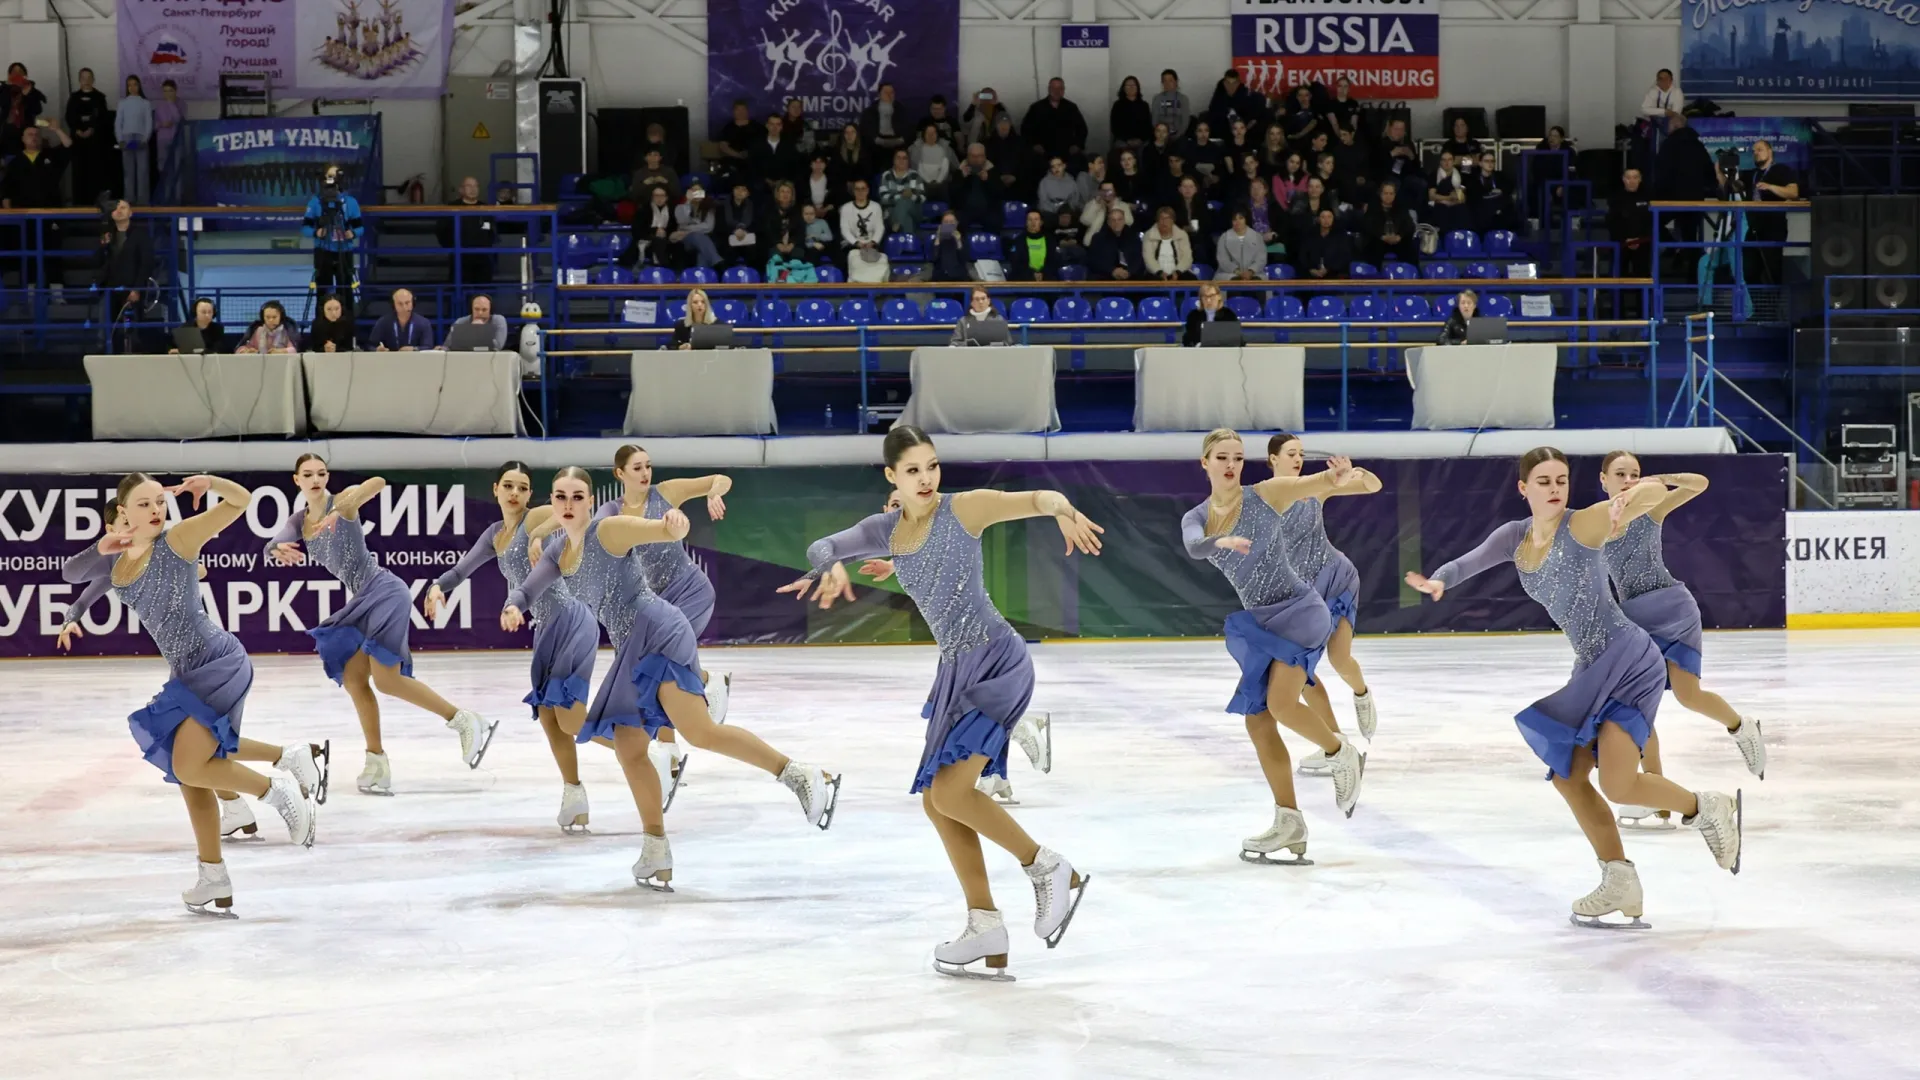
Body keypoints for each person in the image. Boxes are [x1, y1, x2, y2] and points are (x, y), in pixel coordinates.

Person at [783, 425, 1096, 978]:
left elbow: (1029, 499)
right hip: (955, 668)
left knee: (951, 792)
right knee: (937, 799)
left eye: (931, 466)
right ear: (891, 478)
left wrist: (1060, 507)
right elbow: (824, 545)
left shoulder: (964, 509)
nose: (926, 478)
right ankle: (985, 924)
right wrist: (827, 562)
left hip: (996, 659)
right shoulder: (886, 530)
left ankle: (1046, 866)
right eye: (913, 471)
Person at [1406, 447, 1744, 926]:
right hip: (1591, 664)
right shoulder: (1515, 536)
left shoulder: (1583, 524)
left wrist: (1630, 498)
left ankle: (1704, 808)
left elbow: (1652, 492)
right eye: (1543, 481)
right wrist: (1439, 582)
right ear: (1523, 489)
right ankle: (1618, 877)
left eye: (1561, 480)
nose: (1554, 489)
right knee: (1568, 775)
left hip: (1628, 659)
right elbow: (1468, 563)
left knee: (1617, 782)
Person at [523, 467, 840, 890]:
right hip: (631, 644)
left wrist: (673, 524)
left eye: (577, 496)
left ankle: (801, 775)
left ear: (591, 500)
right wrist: (513, 604)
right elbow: (528, 588)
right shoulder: (557, 550)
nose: (567, 504)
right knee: (632, 747)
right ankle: (656, 849)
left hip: (658, 630)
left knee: (699, 732)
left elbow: (657, 528)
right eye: (560, 496)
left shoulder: (608, 529)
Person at [56, 473, 323, 913]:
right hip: (185, 673)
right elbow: (70, 574)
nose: (156, 510)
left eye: (159, 502)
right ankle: (213, 877)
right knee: (190, 776)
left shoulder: (178, 539)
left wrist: (211, 481)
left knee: (189, 763)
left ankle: (276, 791)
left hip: (219, 662)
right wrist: (100, 549)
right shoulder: (117, 559)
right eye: (144, 504)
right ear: (122, 512)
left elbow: (240, 501)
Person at [1182, 431, 1369, 863]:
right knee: (1259, 722)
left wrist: (1335, 477)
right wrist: (1219, 542)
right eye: (1222, 457)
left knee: (1282, 706)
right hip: (1264, 621)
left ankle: (1341, 753)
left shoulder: (1266, 493)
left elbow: (1312, 485)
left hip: (1301, 611)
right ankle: (1290, 820)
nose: (1231, 464)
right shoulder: (1197, 515)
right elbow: (1194, 546)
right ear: (1205, 463)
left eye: (1238, 457)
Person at [265, 455, 496, 794]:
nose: (316, 479)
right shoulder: (299, 521)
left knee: (387, 680)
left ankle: (465, 721)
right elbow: (278, 539)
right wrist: (276, 548)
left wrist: (340, 506)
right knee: (354, 677)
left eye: (321, 473)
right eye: (308, 475)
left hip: (385, 591)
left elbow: (377, 483)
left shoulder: (342, 504)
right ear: (296, 480)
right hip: (363, 598)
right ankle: (376, 761)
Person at [1596, 453, 1768, 829]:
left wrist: (1653, 481)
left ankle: (1742, 726)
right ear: (1602, 479)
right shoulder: (1594, 520)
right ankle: (1652, 792)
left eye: (1634, 473)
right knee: (1637, 707)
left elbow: (1699, 483)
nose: (1627, 479)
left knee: (1689, 695)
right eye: (1620, 474)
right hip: (1635, 618)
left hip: (1672, 609)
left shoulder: (1651, 510)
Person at [426, 463, 600, 831]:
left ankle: (642, 749)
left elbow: (567, 515)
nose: (515, 493)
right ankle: (574, 794)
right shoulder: (495, 534)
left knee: (566, 716)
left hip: (571, 619)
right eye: (508, 486)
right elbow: (461, 570)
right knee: (551, 717)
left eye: (522, 487)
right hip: (546, 628)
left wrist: (537, 535)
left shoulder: (535, 515)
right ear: (496, 489)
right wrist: (438, 586)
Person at [590, 445, 737, 797]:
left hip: (690, 593)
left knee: (660, 667)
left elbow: (721, 478)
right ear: (619, 474)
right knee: (655, 674)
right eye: (637, 467)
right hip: (652, 605)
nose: (645, 473)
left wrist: (714, 492)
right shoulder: (609, 513)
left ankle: (697, 689)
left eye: (648, 466)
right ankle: (670, 749)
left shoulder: (667, 492)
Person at [1269, 434, 1384, 779]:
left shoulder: (1315, 488)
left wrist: (1353, 471)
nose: (1298, 459)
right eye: (1291, 454)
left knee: (1339, 658)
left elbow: (1373, 486)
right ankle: (1334, 741)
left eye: (1301, 454)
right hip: (1302, 594)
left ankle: (1361, 695)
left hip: (1336, 577)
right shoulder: (1262, 497)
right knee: (1301, 673)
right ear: (1272, 459)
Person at [0, 120, 73, 286]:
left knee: (54, 252)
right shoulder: (15, 163)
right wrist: (11, 215)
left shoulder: (50, 157)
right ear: (23, 139)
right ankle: (31, 292)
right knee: (29, 253)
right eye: (30, 135)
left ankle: (57, 292)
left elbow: (68, 146)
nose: (33, 137)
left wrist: (57, 129)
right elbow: (6, 192)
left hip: (51, 214)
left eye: (36, 134)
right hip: (26, 217)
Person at [95, 199, 157, 342]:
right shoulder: (108, 235)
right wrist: (104, 246)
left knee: (134, 330)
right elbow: (98, 261)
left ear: (130, 213)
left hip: (132, 287)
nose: (119, 210)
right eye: (116, 208)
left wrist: (137, 288)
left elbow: (146, 263)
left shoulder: (140, 234)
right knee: (109, 328)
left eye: (123, 207)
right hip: (111, 288)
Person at [302, 164, 362, 310]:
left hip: (344, 251)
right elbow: (305, 228)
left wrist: (352, 233)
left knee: (345, 290)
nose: (332, 180)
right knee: (322, 291)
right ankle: (321, 324)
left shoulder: (351, 202)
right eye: (329, 176)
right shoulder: (315, 202)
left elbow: (360, 227)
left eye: (335, 176)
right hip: (323, 251)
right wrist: (316, 232)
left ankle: (347, 323)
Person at [1743, 139, 1799, 286]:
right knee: (1749, 271)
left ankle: (1773, 307)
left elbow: (1793, 192)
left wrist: (1770, 187)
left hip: (1773, 227)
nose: (1756, 153)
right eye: (1754, 151)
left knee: (1772, 269)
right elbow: (1730, 187)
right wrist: (1720, 170)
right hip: (1753, 228)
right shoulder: (1751, 174)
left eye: (1760, 149)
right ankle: (1757, 306)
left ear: (1770, 151)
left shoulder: (1782, 170)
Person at [65, 67, 113, 208]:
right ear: (79, 80)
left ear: (93, 79)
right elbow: (69, 116)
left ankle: (95, 204)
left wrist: (93, 128)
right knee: (79, 173)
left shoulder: (100, 97)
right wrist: (77, 130)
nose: (86, 81)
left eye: (89, 78)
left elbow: (104, 118)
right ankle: (79, 204)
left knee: (95, 172)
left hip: (95, 143)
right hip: (78, 143)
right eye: (83, 78)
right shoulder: (73, 98)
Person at [437, 176, 498, 285]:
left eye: (475, 186)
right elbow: (441, 230)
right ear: (461, 189)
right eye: (469, 186)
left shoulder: (485, 208)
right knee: (460, 289)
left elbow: (491, 231)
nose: (473, 189)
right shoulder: (451, 207)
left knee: (483, 289)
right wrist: (452, 247)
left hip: (482, 256)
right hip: (460, 256)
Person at [1608, 168, 1654, 315]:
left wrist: (1639, 239)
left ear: (1640, 179)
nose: (1632, 181)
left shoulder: (1648, 197)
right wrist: (1625, 239)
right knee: (1618, 279)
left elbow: (1652, 222)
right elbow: (1612, 221)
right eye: (1629, 177)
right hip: (1620, 244)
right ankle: (1618, 314)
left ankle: (1643, 314)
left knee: (1643, 279)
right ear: (1623, 179)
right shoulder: (1615, 198)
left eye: (1635, 177)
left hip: (1643, 244)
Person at [1022, 78, 1088, 164]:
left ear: (1063, 90)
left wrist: (1077, 145)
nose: (1057, 91)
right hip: (1043, 153)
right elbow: (1025, 129)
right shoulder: (1036, 108)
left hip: (1067, 153)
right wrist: (1034, 145)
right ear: (1049, 89)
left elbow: (1082, 129)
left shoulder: (1071, 107)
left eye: (1060, 88)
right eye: (1054, 88)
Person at [115, 75, 155, 205]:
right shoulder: (123, 103)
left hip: (140, 138)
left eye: (135, 84)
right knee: (128, 171)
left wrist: (145, 139)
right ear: (127, 87)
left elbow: (149, 122)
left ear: (139, 86)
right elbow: (118, 123)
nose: (132, 87)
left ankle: (143, 200)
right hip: (126, 139)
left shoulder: (145, 103)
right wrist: (120, 139)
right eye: (129, 85)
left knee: (142, 171)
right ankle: (129, 199)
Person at [1360, 181, 1415, 264]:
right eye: (1385, 193)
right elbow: (1368, 225)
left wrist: (1399, 236)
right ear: (1380, 194)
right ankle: (1374, 274)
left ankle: (1407, 273)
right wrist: (1382, 236)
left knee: (1410, 249)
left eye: (1391, 193)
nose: (1388, 196)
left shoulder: (1401, 206)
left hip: (1397, 240)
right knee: (1373, 247)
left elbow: (1409, 225)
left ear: (1395, 195)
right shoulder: (1373, 206)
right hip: (1379, 240)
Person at [839, 178, 886, 272]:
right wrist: (856, 243)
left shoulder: (876, 207)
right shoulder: (846, 208)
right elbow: (845, 229)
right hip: (851, 244)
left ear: (867, 190)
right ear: (853, 191)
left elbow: (880, 227)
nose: (860, 192)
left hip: (871, 243)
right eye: (857, 189)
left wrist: (873, 241)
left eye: (863, 188)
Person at [953, 141, 1000, 232]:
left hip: (988, 211)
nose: (976, 159)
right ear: (967, 157)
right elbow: (952, 194)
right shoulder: (960, 172)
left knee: (994, 221)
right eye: (973, 156)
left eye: (979, 156)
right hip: (965, 211)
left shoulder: (992, 171)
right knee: (955, 222)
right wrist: (961, 178)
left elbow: (999, 193)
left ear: (984, 157)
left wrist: (988, 180)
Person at [671, 184, 721, 269]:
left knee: (702, 249)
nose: (697, 193)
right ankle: (718, 262)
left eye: (699, 191)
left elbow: (709, 227)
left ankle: (700, 274)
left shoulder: (709, 207)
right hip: (686, 240)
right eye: (693, 191)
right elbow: (682, 221)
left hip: (701, 239)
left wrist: (687, 229)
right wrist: (687, 202)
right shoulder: (680, 207)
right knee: (699, 238)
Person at [879, 148, 928, 235]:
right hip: (892, 213)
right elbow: (883, 198)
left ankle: (897, 224)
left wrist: (911, 196)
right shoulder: (887, 175)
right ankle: (909, 246)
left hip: (914, 211)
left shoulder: (915, 175)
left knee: (905, 202)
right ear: (894, 160)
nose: (901, 160)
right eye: (898, 158)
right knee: (907, 219)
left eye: (904, 158)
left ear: (908, 161)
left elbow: (923, 198)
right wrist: (901, 196)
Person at [1088, 206, 1144, 281]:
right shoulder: (1098, 238)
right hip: (1106, 277)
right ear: (1108, 222)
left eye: (1119, 219)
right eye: (1113, 220)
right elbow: (1093, 260)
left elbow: (1139, 259)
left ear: (1124, 221)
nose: (1116, 223)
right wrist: (1112, 270)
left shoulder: (1134, 238)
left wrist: (1129, 272)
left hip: (1130, 277)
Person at [748, 113, 799, 192]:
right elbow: (752, 165)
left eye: (778, 124)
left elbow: (794, 166)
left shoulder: (789, 144)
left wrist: (782, 181)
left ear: (781, 127)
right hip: (762, 183)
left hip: (784, 182)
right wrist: (766, 180)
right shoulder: (757, 144)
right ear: (767, 125)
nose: (774, 128)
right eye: (772, 124)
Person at [1297, 208, 1352, 280]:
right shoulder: (1310, 235)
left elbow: (1344, 256)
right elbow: (1303, 255)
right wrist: (1311, 270)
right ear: (1318, 219)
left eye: (1329, 217)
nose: (1326, 220)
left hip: (1335, 274)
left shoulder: (1341, 235)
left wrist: (1328, 269)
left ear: (1333, 219)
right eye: (1323, 217)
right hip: (1312, 274)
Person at [910, 122, 960, 200]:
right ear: (923, 135)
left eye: (933, 133)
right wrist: (927, 181)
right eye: (928, 133)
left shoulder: (946, 149)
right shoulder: (914, 149)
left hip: (942, 184)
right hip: (921, 184)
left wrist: (938, 181)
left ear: (937, 134)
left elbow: (956, 167)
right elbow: (915, 168)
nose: (931, 136)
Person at [717, 180, 762, 266]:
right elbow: (720, 226)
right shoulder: (722, 206)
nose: (740, 192)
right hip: (728, 239)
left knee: (755, 250)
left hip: (748, 239)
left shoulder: (753, 206)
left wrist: (745, 231)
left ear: (748, 193)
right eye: (737, 188)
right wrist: (734, 231)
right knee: (726, 250)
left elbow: (757, 224)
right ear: (733, 190)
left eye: (743, 189)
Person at [1006, 209, 1058, 282]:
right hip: (1024, 278)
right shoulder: (1019, 240)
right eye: (1030, 220)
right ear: (1026, 223)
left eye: (1036, 219)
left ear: (1041, 222)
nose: (1033, 222)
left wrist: (1043, 273)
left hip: (1046, 277)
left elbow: (1054, 261)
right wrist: (1031, 274)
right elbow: (1016, 263)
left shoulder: (1050, 240)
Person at [860, 82, 910, 157]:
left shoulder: (901, 110)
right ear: (879, 95)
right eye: (886, 92)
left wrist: (901, 140)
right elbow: (865, 130)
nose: (889, 95)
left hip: (897, 144)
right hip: (876, 145)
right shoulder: (870, 111)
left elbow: (908, 129)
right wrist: (876, 140)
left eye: (891, 93)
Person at [1142, 207, 1193, 280]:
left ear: (1173, 220)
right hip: (1156, 274)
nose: (1164, 222)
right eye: (1161, 218)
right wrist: (1159, 272)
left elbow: (1187, 257)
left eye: (1167, 218)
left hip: (1178, 273)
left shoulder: (1182, 235)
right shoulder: (1149, 235)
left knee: (1191, 279)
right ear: (1157, 220)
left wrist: (1177, 272)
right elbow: (1148, 258)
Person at [1207, 68, 1261, 136]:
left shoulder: (1245, 93)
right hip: (1223, 129)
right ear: (1224, 83)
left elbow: (1257, 104)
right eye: (1228, 83)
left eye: (1234, 83)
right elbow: (1213, 112)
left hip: (1242, 129)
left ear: (1238, 83)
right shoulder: (1219, 94)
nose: (1231, 86)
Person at [1213, 210, 1264, 281]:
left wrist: (1250, 271)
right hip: (1229, 273)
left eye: (1241, 218)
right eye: (1234, 219)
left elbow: (1261, 259)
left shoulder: (1257, 237)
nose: (1238, 222)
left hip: (1254, 273)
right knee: (1234, 280)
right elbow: (1223, 261)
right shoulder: (1224, 237)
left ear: (1246, 219)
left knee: (1258, 280)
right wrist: (1239, 272)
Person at [1426, 150, 1469, 233]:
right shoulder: (1434, 175)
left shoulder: (1459, 175)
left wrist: (1451, 201)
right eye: (1444, 160)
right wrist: (1449, 198)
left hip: (1455, 205)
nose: (1447, 162)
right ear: (1440, 162)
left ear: (1453, 161)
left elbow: (1461, 198)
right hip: (1439, 205)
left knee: (1463, 210)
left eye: (1449, 160)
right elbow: (1432, 196)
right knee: (1441, 212)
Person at [235, 300, 300, 354]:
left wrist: (283, 351)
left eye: (274, 317)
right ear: (263, 318)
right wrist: (246, 351)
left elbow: (294, 350)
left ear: (281, 317)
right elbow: (241, 348)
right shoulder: (258, 331)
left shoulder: (286, 330)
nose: (271, 320)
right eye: (268, 317)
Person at [1110, 76, 1153, 155]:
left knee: (1146, 150)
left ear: (1138, 88)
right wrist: (1128, 140)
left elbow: (1148, 126)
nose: (1131, 87)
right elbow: (1115, 127)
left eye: (1133, 85)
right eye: (1128, 85)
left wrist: (1140, 139)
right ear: (1123, 88)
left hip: (1141, 141)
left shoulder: (1144, 105)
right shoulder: (1117, 105)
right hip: (1123, 140)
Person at [1151, 69, 1193, 141]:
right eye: (1164, 81)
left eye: (1170, 80)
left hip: (1179, 135)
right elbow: (1154, 121)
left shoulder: (1183, 99)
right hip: (1161, 136)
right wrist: (1161, 135)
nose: (1167, 83)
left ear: (1176, 82)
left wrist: (1178, 135)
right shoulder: (1157, 99)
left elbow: (1185, 121)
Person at [930, 211, 970, 282]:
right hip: (940, 277)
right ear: (941, 224)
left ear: (956, 223)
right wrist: (938, 238)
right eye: (946, 222)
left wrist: (958, 241)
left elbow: (964, 259)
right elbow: (933, 258)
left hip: (959, 277)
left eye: (951, 222)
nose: (948, 224)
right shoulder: (935, 241)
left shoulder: (963, 240)